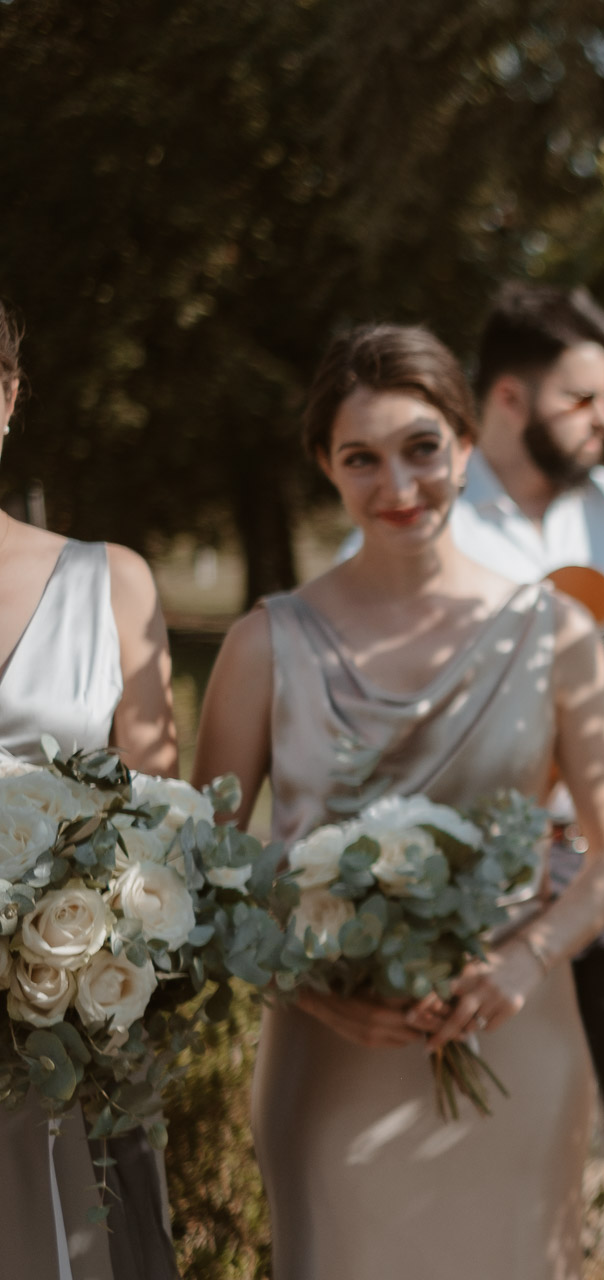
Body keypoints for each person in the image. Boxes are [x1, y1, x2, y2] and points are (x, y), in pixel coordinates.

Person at [194, 324, 604, 1280]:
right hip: (331, 1061)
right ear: (325, 464)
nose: (398, 487)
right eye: (362, 458)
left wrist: (527, 962)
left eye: (422, 450)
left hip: (516, 1037)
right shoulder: (264, 645)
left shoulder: (556, 632)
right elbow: (205, 873)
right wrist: (313, 990)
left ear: (468, 444)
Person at [338, 283, 604, 1268]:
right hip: (476, 874)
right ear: (509, 399)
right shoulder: (420, 508)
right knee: (492, 1129)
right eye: (583, 399)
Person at [0, 301, 182, 1280]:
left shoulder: (111, 580)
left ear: (9, 395)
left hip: (73, 1003)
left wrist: (98, 925)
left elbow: (161, 811)